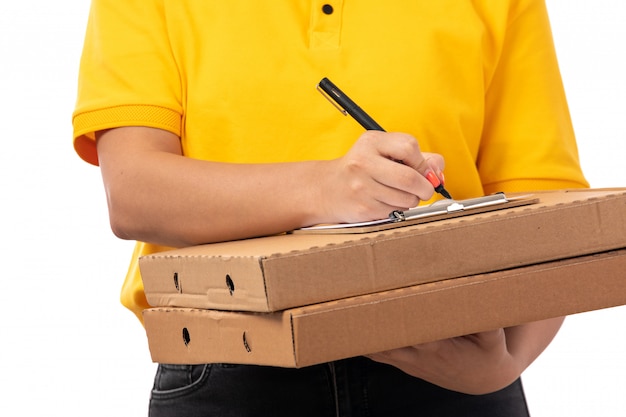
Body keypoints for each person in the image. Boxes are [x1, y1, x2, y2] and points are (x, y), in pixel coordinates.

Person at [72, 0, 589, 416]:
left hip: (451, 362)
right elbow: (134, 192)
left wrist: (504, 365)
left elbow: (548, 198)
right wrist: (323, 189)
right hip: (231, 365)